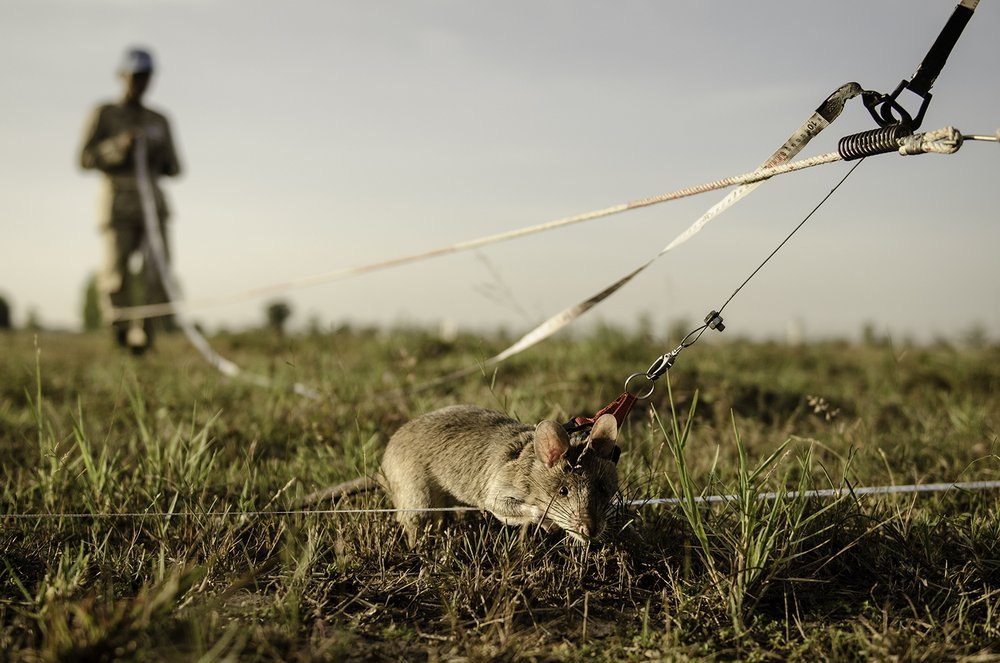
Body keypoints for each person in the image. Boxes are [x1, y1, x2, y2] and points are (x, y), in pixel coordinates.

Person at [80, 46, 182, 353]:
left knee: (158, 272)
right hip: (118, 204)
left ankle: (146, 339)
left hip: (154, 205)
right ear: (122, 76)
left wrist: (156, 152)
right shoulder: (105, 114)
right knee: (116, 275)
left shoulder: (160, 120)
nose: (140, 83)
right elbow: (85, 158)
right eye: (135, 76)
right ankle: (121, 334)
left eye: (146, 77)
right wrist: (118, 148)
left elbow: (176, 167)